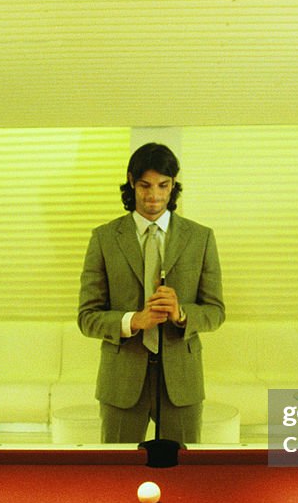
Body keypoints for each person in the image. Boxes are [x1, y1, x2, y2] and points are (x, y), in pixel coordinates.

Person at [78, 143, 225, 444]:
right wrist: (134, 321)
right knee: (117, 473)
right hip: (120, 383)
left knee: (183, 473)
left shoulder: (201, 238)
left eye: (163, 185)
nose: (154, 196)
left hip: (182, 382)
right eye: (145, 185)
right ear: (131, 181)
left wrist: (182, 314)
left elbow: (216, 311)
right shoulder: (103, 238)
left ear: (173, 186)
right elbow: (87, 317)